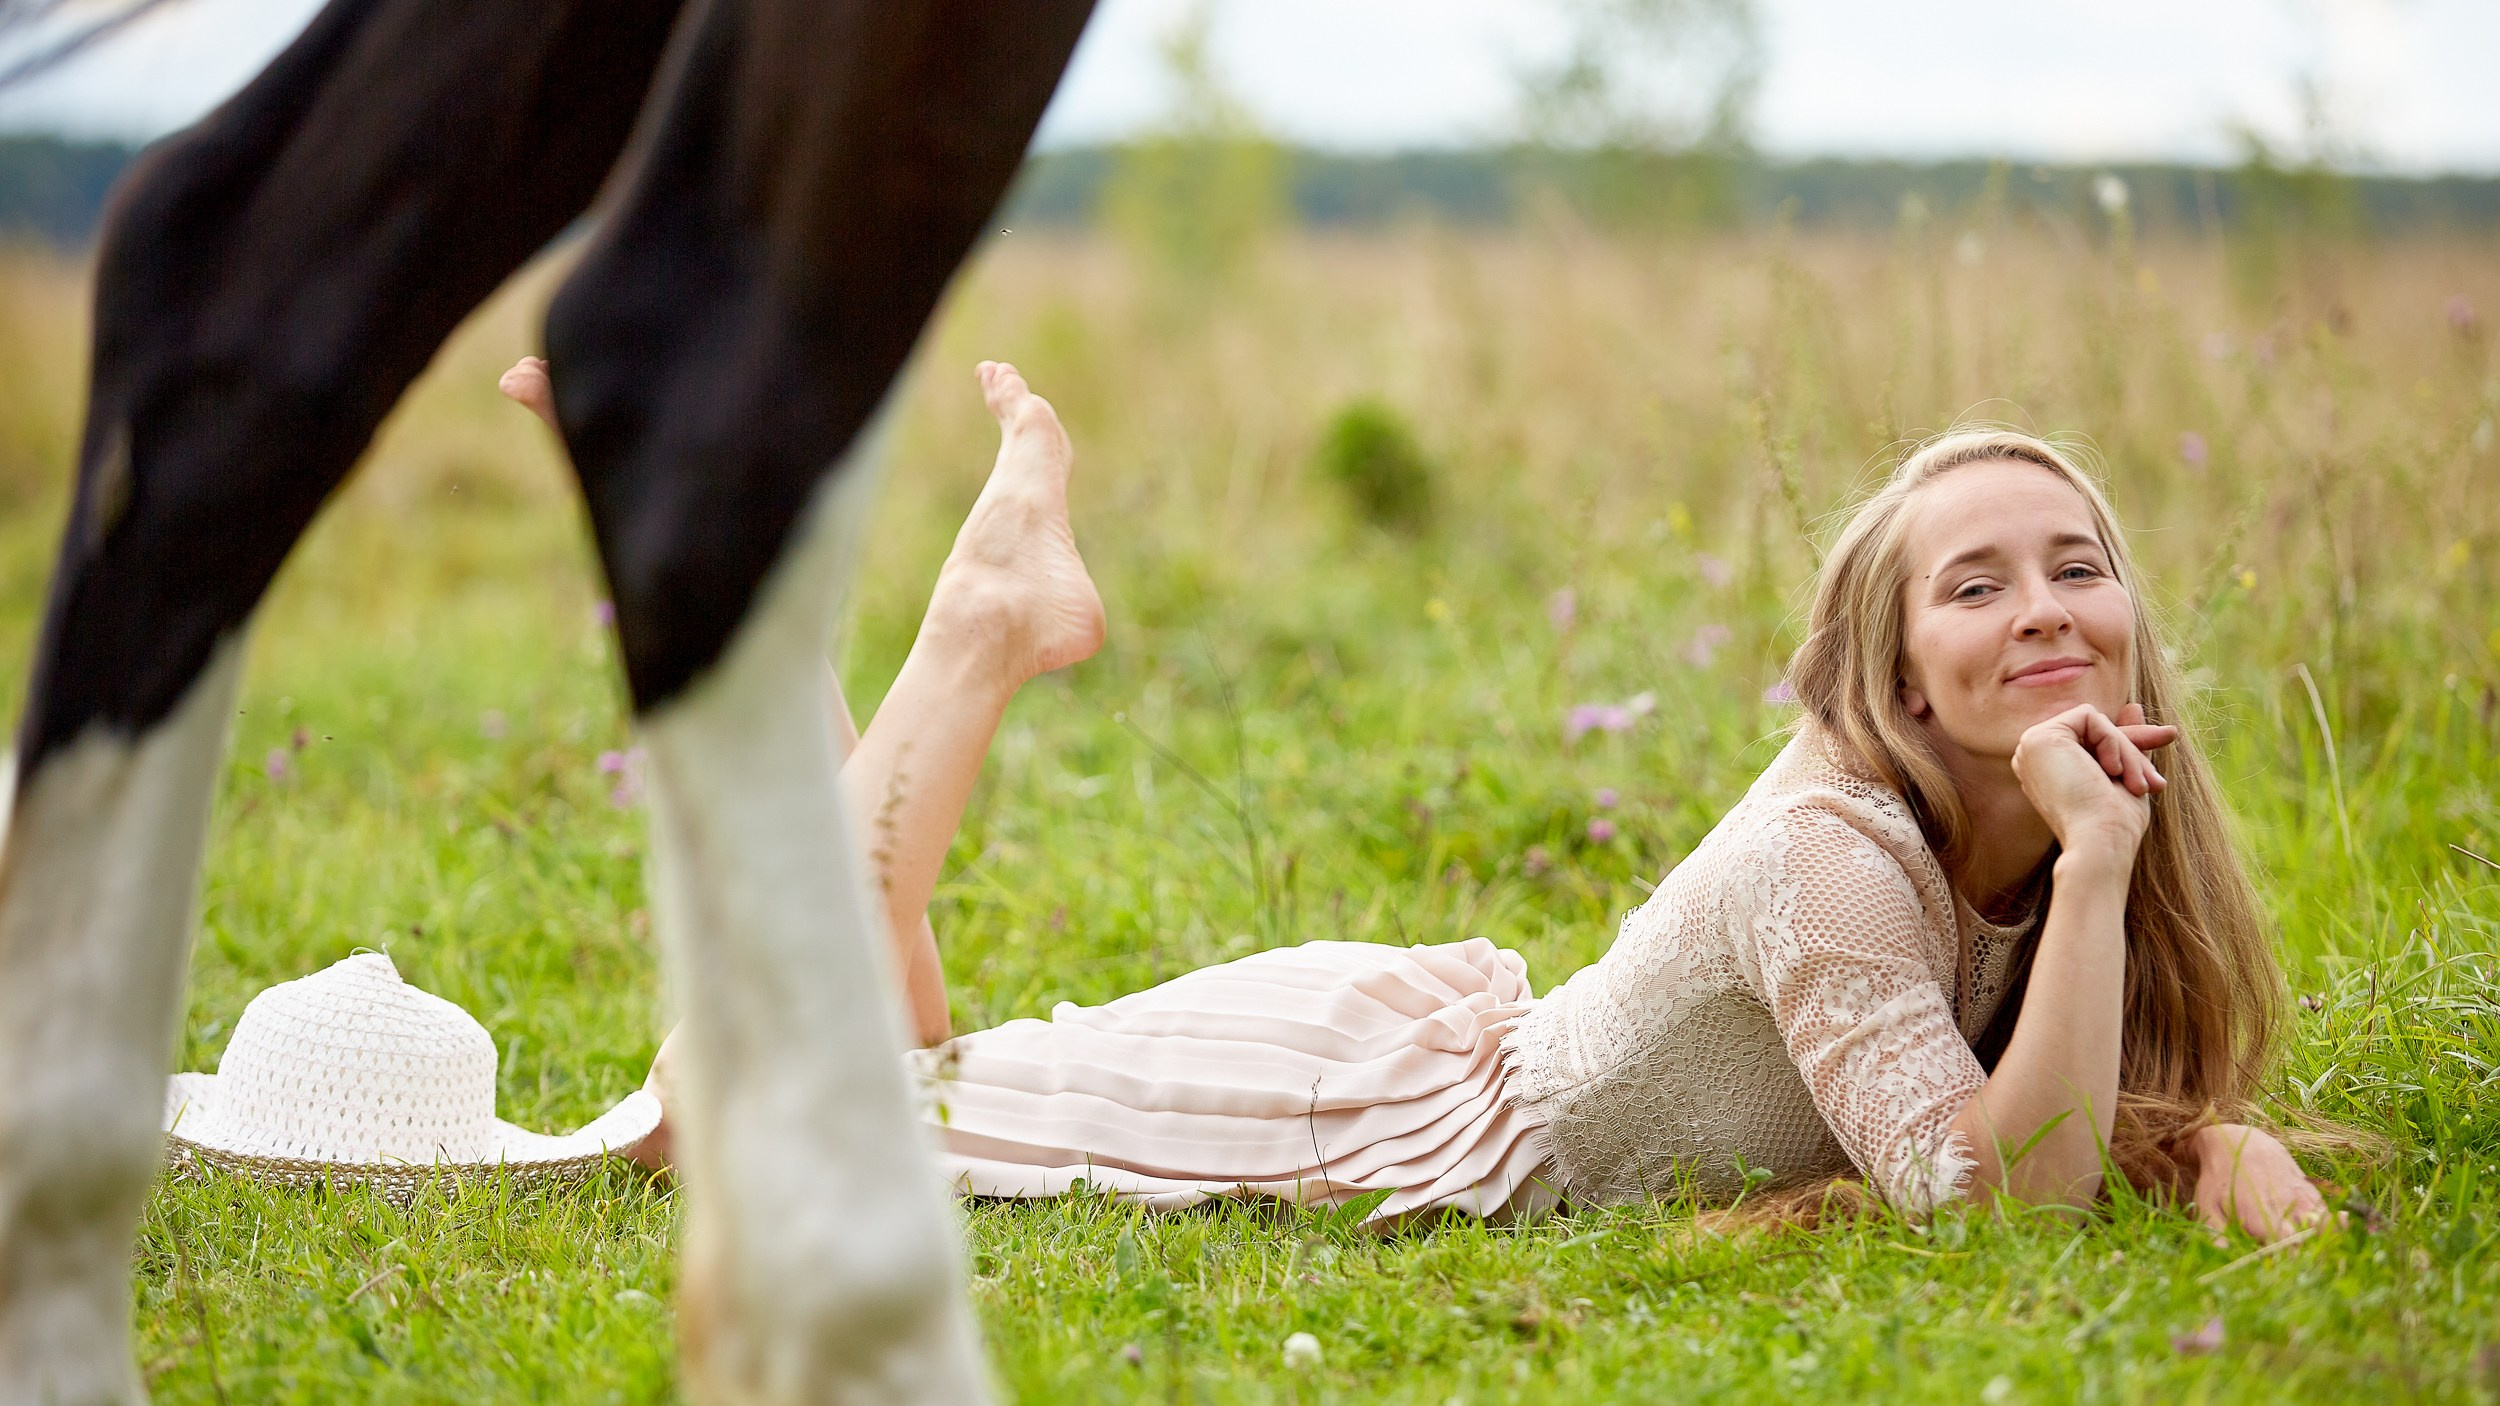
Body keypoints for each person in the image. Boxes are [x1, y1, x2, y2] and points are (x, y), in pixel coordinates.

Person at [501, 358, 2325, 1243]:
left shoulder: (2064, 820)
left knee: (883, 1052)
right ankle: (963, 624)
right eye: (1975, 584)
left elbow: (2053, 1126)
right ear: (1899, 669)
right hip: (1372, 1118)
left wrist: (2204, 1128)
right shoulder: (1825, 862)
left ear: (2132, 614)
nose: (2042, 612)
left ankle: (724, 547)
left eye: (2074, 565)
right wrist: (2092, 878)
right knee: (738, 1098)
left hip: (1418, 1053)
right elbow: (2000, 1205)